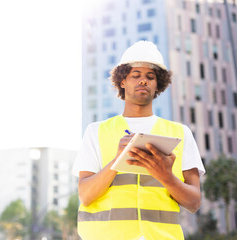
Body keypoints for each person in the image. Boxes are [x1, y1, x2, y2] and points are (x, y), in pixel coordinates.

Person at [72, 41, 205, 240]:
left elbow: (194, 203)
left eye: (150, 77)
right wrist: (117, 161)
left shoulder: (180, 133)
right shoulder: (96, 131)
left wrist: (165, 176)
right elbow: (86, 195)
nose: (143, 81)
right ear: (122, 81)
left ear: (157, 84)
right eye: (136, 75)